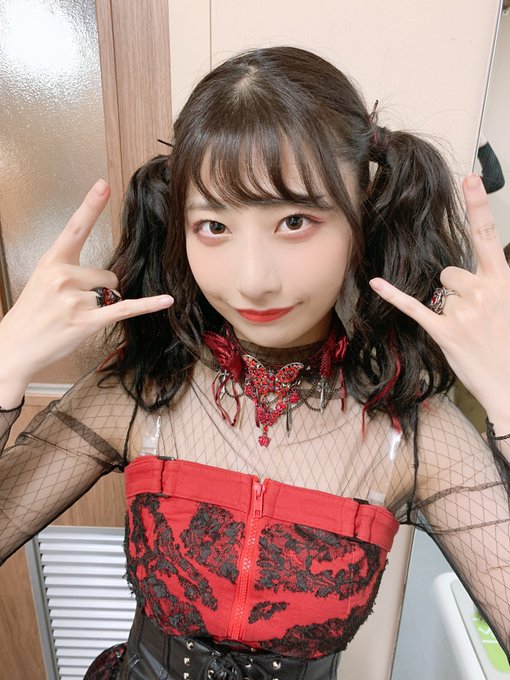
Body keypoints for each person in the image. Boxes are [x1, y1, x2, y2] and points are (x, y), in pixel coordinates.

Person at [0, 46, 509, 679]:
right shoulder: (140, 394)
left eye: (294, 221)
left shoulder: (413, 436)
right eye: (213, 226)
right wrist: (3, 365)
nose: (252, 281)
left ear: (362, 214)